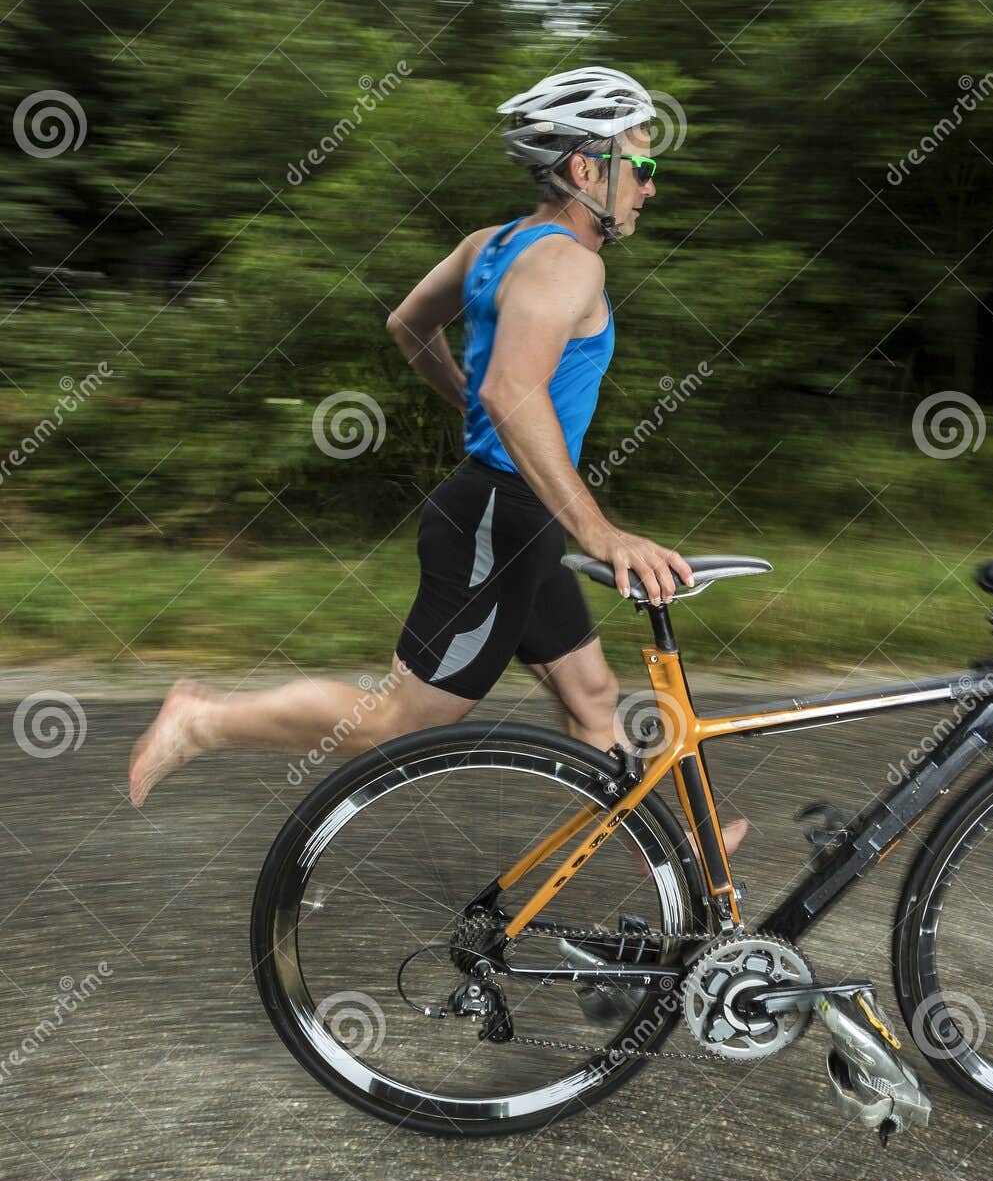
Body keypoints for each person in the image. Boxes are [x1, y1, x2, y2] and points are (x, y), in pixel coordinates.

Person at [129, 66, 749, 850]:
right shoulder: (569, 263)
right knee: (395, 718)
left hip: (513, 515)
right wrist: (601, 531)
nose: (650, 187)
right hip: (502, 517)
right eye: (643, 164)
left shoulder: (488, 245)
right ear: (588, 168)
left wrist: (471, 399)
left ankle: (682, 856)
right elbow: (512, 391)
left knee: (593, 699)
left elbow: (408, 327)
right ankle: (204, 720)